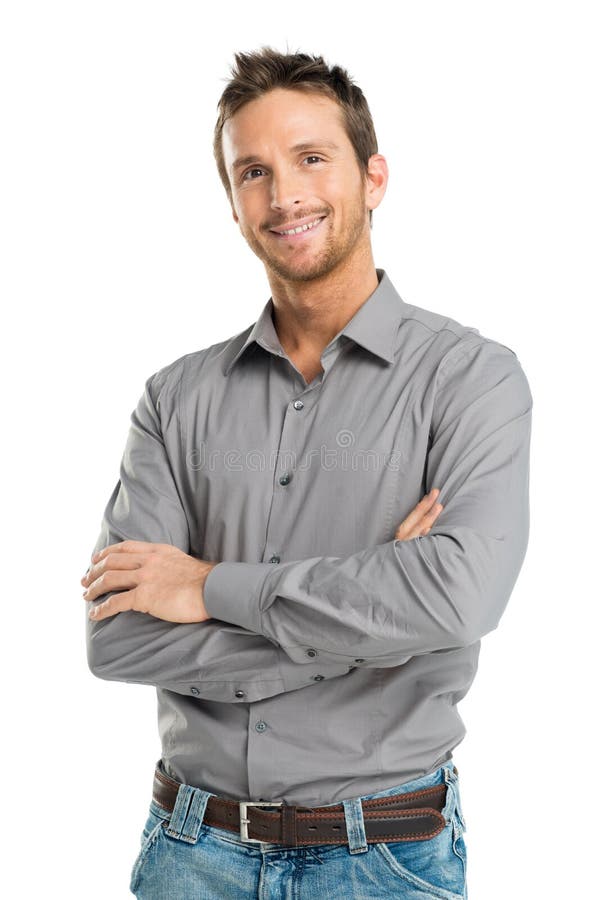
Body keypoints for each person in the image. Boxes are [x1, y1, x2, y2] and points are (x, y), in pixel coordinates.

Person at [82, 46, 532, 899]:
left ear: (373, 177)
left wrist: (209, 587)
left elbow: (456, 599)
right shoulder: (174, 401)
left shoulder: (472, 379)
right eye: (253, 171)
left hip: (386, 857)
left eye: (311, 159)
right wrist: (367, 631)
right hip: (188, 853)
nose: (283, 194)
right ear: (233, 204)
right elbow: (119, 637)